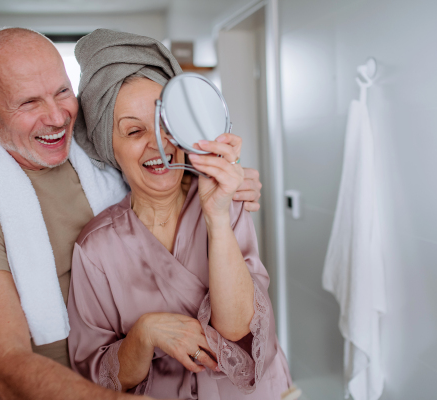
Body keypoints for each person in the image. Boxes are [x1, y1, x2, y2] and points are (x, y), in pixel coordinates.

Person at [0, 27, 263, 400]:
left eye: (61, 92)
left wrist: (231, 181)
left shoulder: (90, 151)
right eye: (28, 103)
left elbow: (157, 158)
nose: (57, 118)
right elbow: (7, 370)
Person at [67, 29, 291, 399]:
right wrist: (144, 335)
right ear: (110, 149)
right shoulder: (96, 249)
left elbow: (238, 329)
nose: (158, 143)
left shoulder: (225, 204)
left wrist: (217, 217)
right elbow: (96, 378)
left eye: (166, 125)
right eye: (134, 131)